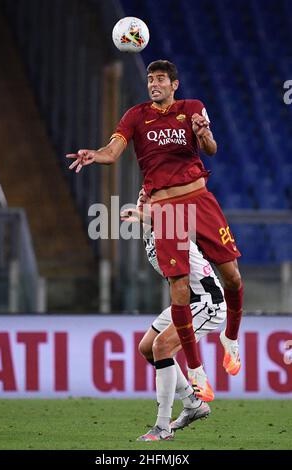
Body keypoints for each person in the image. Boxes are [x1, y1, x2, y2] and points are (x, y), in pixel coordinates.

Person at [67, 59, 243, 394]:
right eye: (150, 79)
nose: (153, 84)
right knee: (178, 289)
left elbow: (212, 149)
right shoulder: (135, 116)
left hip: (199, 199)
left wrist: (204, 133)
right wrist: (96, 155)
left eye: (160, 79)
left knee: (232, 277)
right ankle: (196, 371)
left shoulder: (192, 108)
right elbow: (112, 150)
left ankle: (231, 337)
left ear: (174, 84)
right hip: (165, 208)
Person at [120, 201, 226, 441]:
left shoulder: (170, 228)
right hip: (186, 300)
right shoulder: (149, 230)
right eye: (140, 197)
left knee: (162, 347)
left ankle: (162, 427)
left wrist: (141, 213)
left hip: (206, 301)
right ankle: (192, 402)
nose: (141, 200)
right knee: (147, 348)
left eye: (146, 198)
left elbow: (170, 220)